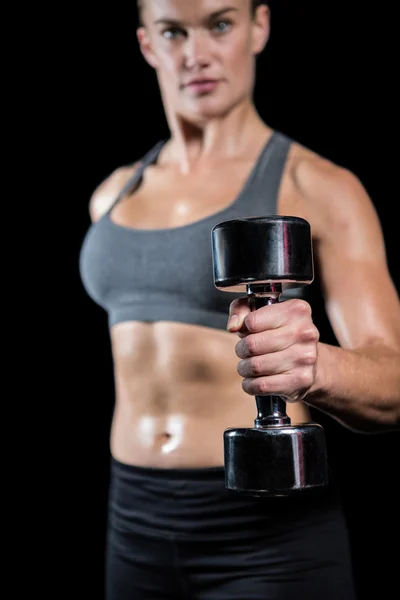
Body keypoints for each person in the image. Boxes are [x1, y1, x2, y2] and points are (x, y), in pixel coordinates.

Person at [79, 1, 400, 598]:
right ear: (148, 44)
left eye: (220, 24)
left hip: (267, 533)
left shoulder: (318, 186)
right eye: (173, 31)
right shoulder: (112, 195)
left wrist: (319, 367)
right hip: (133, 516)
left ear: (260, 27)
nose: (196, 54)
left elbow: (394, 385)